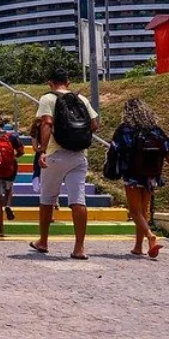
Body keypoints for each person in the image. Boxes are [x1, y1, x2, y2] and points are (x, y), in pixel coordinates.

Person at [29, 69, 99, 260]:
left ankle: (43, 241)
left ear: (50, 82)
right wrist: (77, 137)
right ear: (68, 82)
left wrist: (42, 150)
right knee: (78, 200)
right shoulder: (81, 99)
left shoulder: (48, 99)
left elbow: (46, 123)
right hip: (78, 156)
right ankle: (79, 248)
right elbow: (94, 125)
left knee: (47, 199)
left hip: (55, 154)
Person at [110, 98, 169, 259]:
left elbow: (115, 148)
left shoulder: (125, 130)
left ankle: (150, 236)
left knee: (135, 211)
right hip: (151, 175)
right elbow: (166, 149)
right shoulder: (154, 129)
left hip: (132, 175)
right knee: (144, 211)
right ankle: (137, 246)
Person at [29, 118, 60, 220]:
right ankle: (55, 202)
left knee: (45, 184)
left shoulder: (35, 128)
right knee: (54, 181)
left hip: (41, 157)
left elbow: (34, 147)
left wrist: (42, 149)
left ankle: (50, 213)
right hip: (54, 155)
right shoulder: (54, 126)